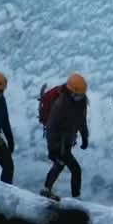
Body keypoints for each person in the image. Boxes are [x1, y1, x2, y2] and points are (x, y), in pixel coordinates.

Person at [41, 72, 89, 200]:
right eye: (79, 95)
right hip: (58, 143)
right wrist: (53, 149)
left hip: (66, 142)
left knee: (60, 164)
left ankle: (46, 189)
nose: (81, 97)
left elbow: (81, 121)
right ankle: (76, 197)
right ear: (71, 92)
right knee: (75, 169)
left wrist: (85, 137)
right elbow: (51, 127)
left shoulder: (81, 102)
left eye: (82, 94)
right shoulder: (60, 104)